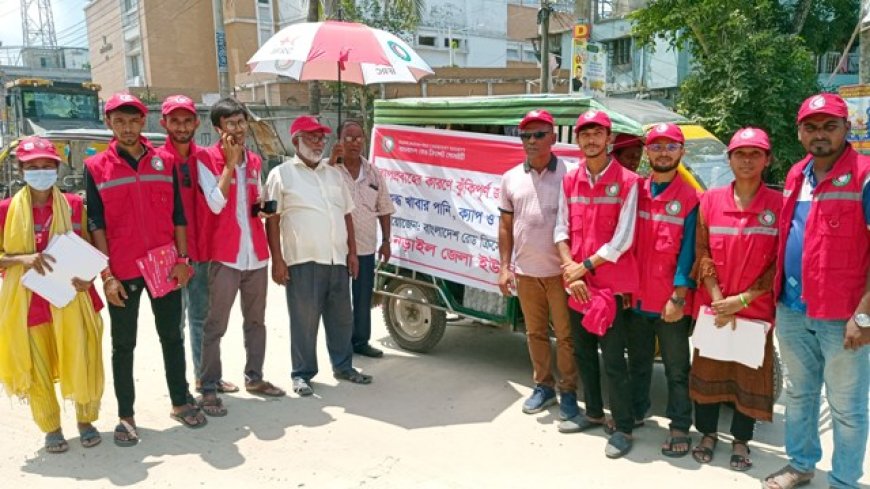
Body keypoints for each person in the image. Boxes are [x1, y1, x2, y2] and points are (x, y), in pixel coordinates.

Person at [84, 93, 204, 447]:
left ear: (144, 123)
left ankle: (180, 402)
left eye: (134, 120)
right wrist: (106, 276)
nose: (127, 128)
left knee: (172, 336)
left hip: (165, 267)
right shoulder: (96, 168)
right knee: (123, 345)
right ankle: (126, 415)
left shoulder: (164, 162)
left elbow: (179, 216)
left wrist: (183, 260)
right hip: (122, 271)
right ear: (109, 124)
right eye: (119, 121)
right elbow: (96, 224)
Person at [765, 93, 870, 489]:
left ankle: (843, 481)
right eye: (811, 127)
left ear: (847, 128)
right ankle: (800, 464)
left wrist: (864, 315)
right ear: (799, 132)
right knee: (799, 394)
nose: (820, 135)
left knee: (847, 408)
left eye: (830, 126)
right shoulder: (797, 174)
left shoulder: (864, 175)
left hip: (842, 316)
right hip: (792, 310)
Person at [0, 136, 105, 453]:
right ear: (21, 169)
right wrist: (22, 259)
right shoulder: (5, 210)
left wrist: (88, 276)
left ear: (57, 168)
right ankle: (52, 428)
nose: (41, 171)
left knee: (83, 358)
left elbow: (89, 247)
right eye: (33, 167)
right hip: (28, 304)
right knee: (38, 368)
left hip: (71, 297)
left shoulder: (74, 204)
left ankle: (86, 421)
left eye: (47, 165)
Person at [690, 127, 780, 472]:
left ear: (767, 160)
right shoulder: (710, 201)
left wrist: (742, 299)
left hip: (754, 310)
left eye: (755, 154)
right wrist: (717, 299)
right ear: (729, 159)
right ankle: (708, 435)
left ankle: (741, 440)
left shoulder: (778, 205)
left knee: (748, 375)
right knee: (709, 370)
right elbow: (703, 251)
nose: (746, 160)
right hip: (716, 309)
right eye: (740, 154)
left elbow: (779, 260)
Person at [554, 109, 640, 458]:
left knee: (615, 360)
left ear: (609, 139)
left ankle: (622, 427)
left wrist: (582, 267)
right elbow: (560, 228)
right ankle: (592, 413)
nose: (591, 139)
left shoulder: (629, 181)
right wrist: (569, 267)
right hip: (578, 284)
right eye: (584, 134)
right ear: (578, 140)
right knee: (583, 352)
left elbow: (623, 239)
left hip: (610, 287)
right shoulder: (570, 179)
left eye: (597, 133)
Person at [265, 115, 372, 397]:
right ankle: (302, 374)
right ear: (295, 140)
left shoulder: (334, 173)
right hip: (303, 260)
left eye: (321, 137)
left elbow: (346, 213)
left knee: (341, 318)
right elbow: (271, 218)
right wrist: (277, 259)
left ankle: (343, 365)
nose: (318, 142)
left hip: (337, 259)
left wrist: (352, 252)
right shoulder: (280, 174)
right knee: (304, 320)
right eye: (311, 136)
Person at [196, 98, 285, 416]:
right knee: (215, 324)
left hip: (256, 254)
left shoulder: (256, 161)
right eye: (231, 123)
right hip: (225, 256)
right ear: (218, 128)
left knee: (257, 321)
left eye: (241, 122)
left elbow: (255, 200)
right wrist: (230, 164)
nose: (238, 128)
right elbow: (215, 204)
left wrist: (262, 208)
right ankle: (208, 386)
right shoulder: (205, 159)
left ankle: (255, 378)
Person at [497, 109, 579, 423]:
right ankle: (543, 386)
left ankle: (569, 391)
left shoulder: (570, 174)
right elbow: (505, 226)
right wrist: (504, 267)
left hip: (561, 274)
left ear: (553, 138)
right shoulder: (510, 178)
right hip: (526, 272)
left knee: (567, 336)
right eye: (525, 135)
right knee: (535, 333)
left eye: (538, 134)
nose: (531, 141)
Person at [158, 95, 239, 395]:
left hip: (201, 252)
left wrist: (229, 165)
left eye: (186, 120)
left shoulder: (204, 158)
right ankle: (179, 388)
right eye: (174, 121)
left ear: (196, 122)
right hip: (168, 257)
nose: (181, 127)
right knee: (173, 325)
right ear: (163, 123)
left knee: (200, 320)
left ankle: (204, 377)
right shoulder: (156, 161)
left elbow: (217, 202)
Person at [627, 123, 698, 458]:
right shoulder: (636, 191)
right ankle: (637, 411)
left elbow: (689, 254)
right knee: (638, 361)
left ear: (681, 153)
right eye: (657, 146)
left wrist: (679, 297)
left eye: (671, 147)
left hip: (670, 302)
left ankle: (680, 425)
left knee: (676, 368)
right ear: (647, 152)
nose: (664, 152)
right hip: (636, 297)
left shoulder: (690, 198)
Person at [329, 120, 395, 358]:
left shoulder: (373, 172)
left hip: (366, 246)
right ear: (339, 140)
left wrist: (386, 240)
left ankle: (361, 341)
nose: (354, 143)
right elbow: (321, 193)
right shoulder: (330, 171)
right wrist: (329, 161)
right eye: (348, 137)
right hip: (336, 247)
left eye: (358, 138)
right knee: (339, 299)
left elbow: (384, 207)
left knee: (362, 296)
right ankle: (341, 344)